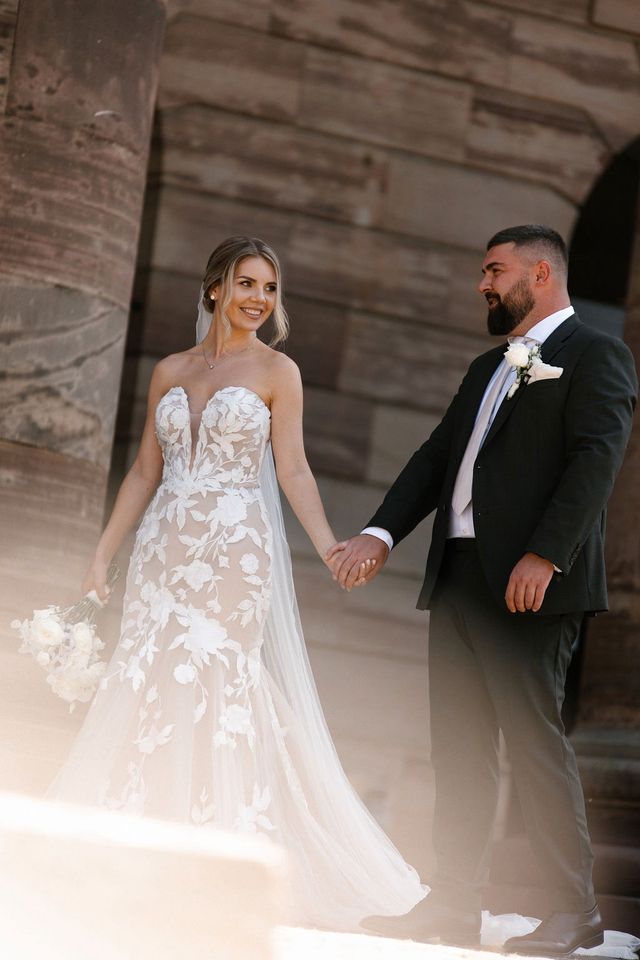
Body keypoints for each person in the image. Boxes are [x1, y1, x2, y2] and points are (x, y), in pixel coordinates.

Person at [46, 236, 426, 930]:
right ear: (215, 287)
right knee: (147, 677)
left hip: (234, 552)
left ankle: (221, 855)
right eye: (247, 283)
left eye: (270, 289)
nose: (259, 299)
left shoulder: (279, 371)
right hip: (162, 548)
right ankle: (132, 849)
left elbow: (294, 471)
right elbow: (142, 473)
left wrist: (331, 547)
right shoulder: (169, 370)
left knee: (215, 679)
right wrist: (103, 554)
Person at [328, 225, 638, 954]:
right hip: (459, 575)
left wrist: (545, 555)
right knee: (458, 749)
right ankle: (454, 903)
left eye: (494, 271)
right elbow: (439, 457)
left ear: (540, 272)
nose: (483, 285)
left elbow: (598, 460)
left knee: (534, 744)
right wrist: (378, 534)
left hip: (531, 583)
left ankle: (575, 909)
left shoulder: (597, 355)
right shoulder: (487, 366)